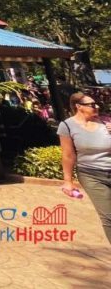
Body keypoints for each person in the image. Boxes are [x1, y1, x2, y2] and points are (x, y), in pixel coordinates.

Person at [59, 92, 111, 244]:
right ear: (78, 107)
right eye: (92, 105)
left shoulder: (106, 121)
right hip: (91, 175)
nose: (97, 107)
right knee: (108, 216)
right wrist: (68, 181)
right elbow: (68, 155)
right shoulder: (67, 125)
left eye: (96, 104)